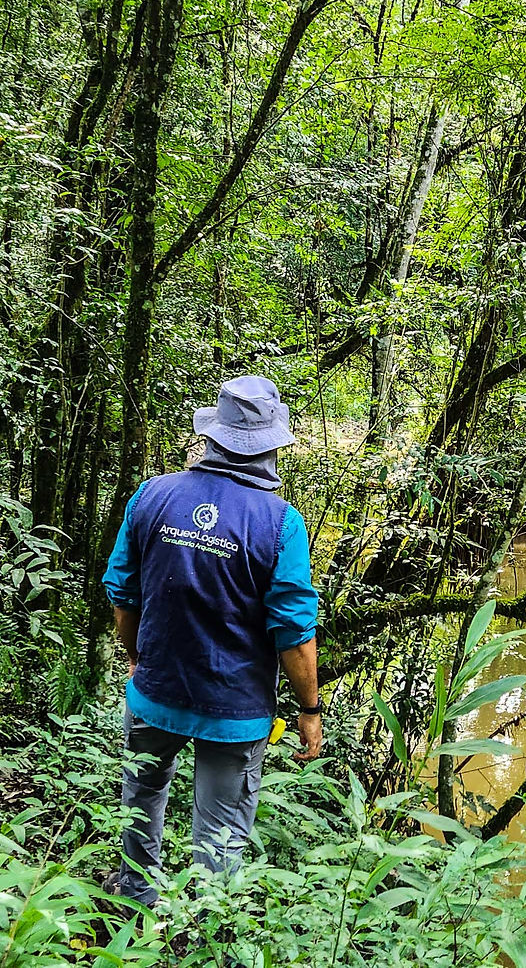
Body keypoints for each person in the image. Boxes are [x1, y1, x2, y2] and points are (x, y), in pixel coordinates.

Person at [102, 375, 323, 906]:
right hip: (235, 710)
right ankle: (204, 929)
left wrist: (137, 658)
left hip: (154, 692)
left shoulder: (152, 496)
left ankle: (137, 892)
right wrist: (309, 708)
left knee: (143, 794)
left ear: (212, 436)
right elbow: (294, 634)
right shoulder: (280, 523)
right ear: (271, 445)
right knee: (221, 830)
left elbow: (122, 593)